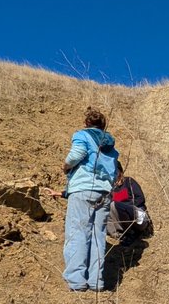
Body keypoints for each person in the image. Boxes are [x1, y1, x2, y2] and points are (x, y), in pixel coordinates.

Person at [52, 106, 118, 292]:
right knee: (98, 237)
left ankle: (77, 281)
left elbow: (77, 155)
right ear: (103, 125)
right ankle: (96, 281)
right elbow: (114, 171)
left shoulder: (82, 135)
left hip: (83, 189)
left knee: (78, 234)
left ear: (87, 123)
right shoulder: (111, 146)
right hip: (104, 193)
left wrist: (65, 167)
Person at [107, 163, 148, 242]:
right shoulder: (110, 188)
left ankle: (131, 232)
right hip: (121, 221)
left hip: (138, 217)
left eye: (115, 170)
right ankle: (119, 235)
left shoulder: (129, 181)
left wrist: (126, 207)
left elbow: (141, 198)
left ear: (120, 171)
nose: (113, 173)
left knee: (114, 205)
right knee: (106, 207)